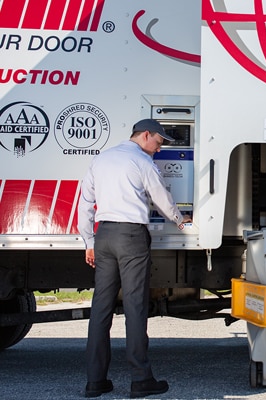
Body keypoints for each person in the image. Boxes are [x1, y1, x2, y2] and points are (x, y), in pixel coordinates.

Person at [77, 118, 192, 398]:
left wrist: (88, 242)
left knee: (101, 310)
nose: (159, 148)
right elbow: (160, 197)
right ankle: (141, 380)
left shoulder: (101, 159)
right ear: (145, 135)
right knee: (135, 307)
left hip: (103, 235)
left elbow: (84, 202)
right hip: (131, 236)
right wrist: (180, 220)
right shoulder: (141, 162)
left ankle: (95, 382)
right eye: (158, 142)